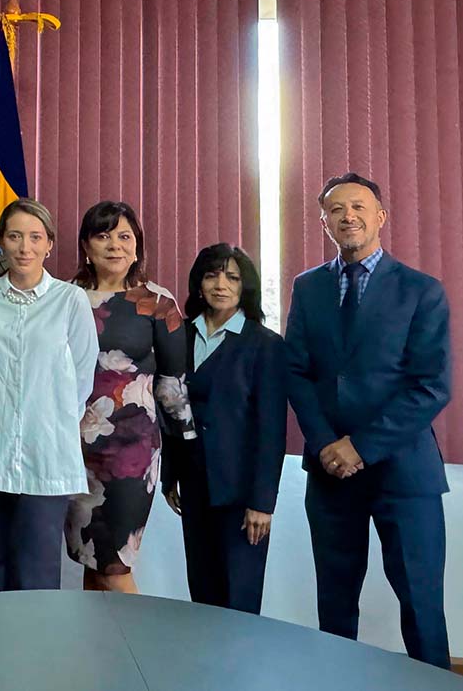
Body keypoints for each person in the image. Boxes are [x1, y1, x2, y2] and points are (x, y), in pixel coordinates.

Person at [286, 172, 451, 668]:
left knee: (421, 604)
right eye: (336, 210)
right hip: (330, 473)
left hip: (405, 473)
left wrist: (359, 446)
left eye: (358, 207)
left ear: (380, 216)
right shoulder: (308, 287)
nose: (348, 216)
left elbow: (431, 386)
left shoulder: (422, 291)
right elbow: (296, 372)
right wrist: (324, 443)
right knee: (335, 607)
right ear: (324, 223)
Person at [0, 199, 98, 591]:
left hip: (44, 454)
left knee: (36, 570)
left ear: (49, 244)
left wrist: (44, 416)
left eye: (35, 237)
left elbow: (82, 378)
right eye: (14, 236)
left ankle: (35, 653)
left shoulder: (70, 300)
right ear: (1, 242)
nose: (24, 247)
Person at [65, 200, 195, 593]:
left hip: (131, 454)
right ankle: (99, 652)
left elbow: (173, 387)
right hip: (71, 451)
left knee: (114, 564)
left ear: (137, 245)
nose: (115, 245)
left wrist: (187, 457)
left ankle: (141, 654)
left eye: (124, 236)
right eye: (103, 236)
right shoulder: (63, 298)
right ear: (86, 246)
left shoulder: (158, 304)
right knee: (90, 557)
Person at [163, 244, 285, 615]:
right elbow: (166, 407)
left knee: (239, 598)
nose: (221, 284)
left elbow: (271, 429)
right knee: (202, 591)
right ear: (198, 284)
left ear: (244, 286)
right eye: (212, 275)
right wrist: (170, 477)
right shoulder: (176, 337)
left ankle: (240, 672)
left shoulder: (264, 344)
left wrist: (262, 503)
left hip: (241, 493)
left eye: (232, 277)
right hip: (194, 485)